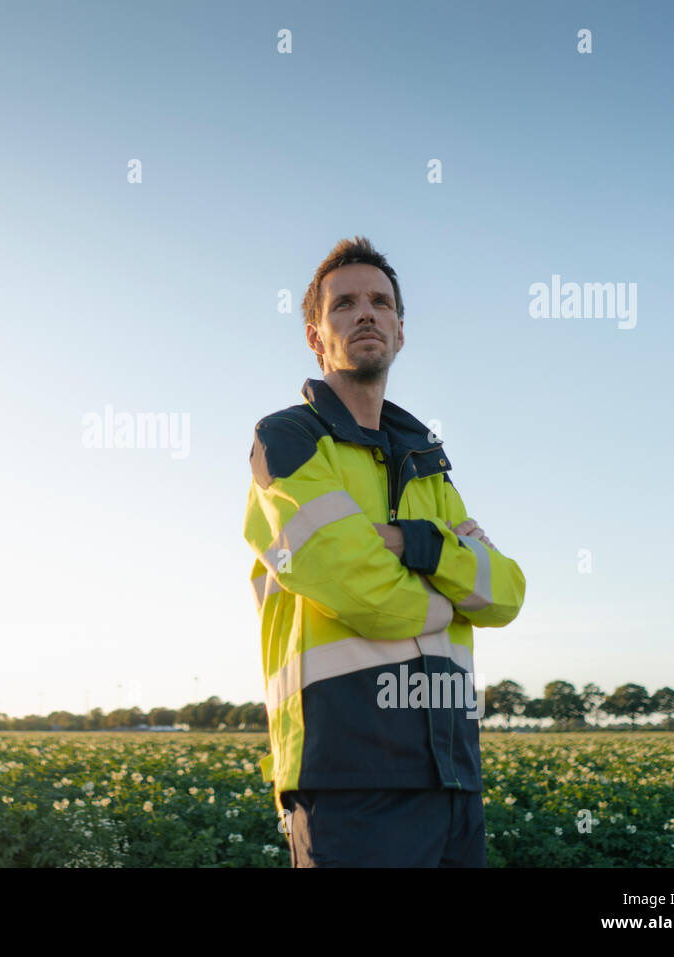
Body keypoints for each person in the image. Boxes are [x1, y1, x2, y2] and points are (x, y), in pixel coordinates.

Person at [243, 236, 526, 866]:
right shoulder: (287, 441)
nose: (365, 312)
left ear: (401, 331)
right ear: (316, 337)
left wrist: (407, 542)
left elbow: (506, 593)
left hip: (453, 772)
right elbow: (366, 595)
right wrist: (451, 583)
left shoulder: (427, 464)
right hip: (349, 776)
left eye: (380, 302)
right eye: (344, 304)